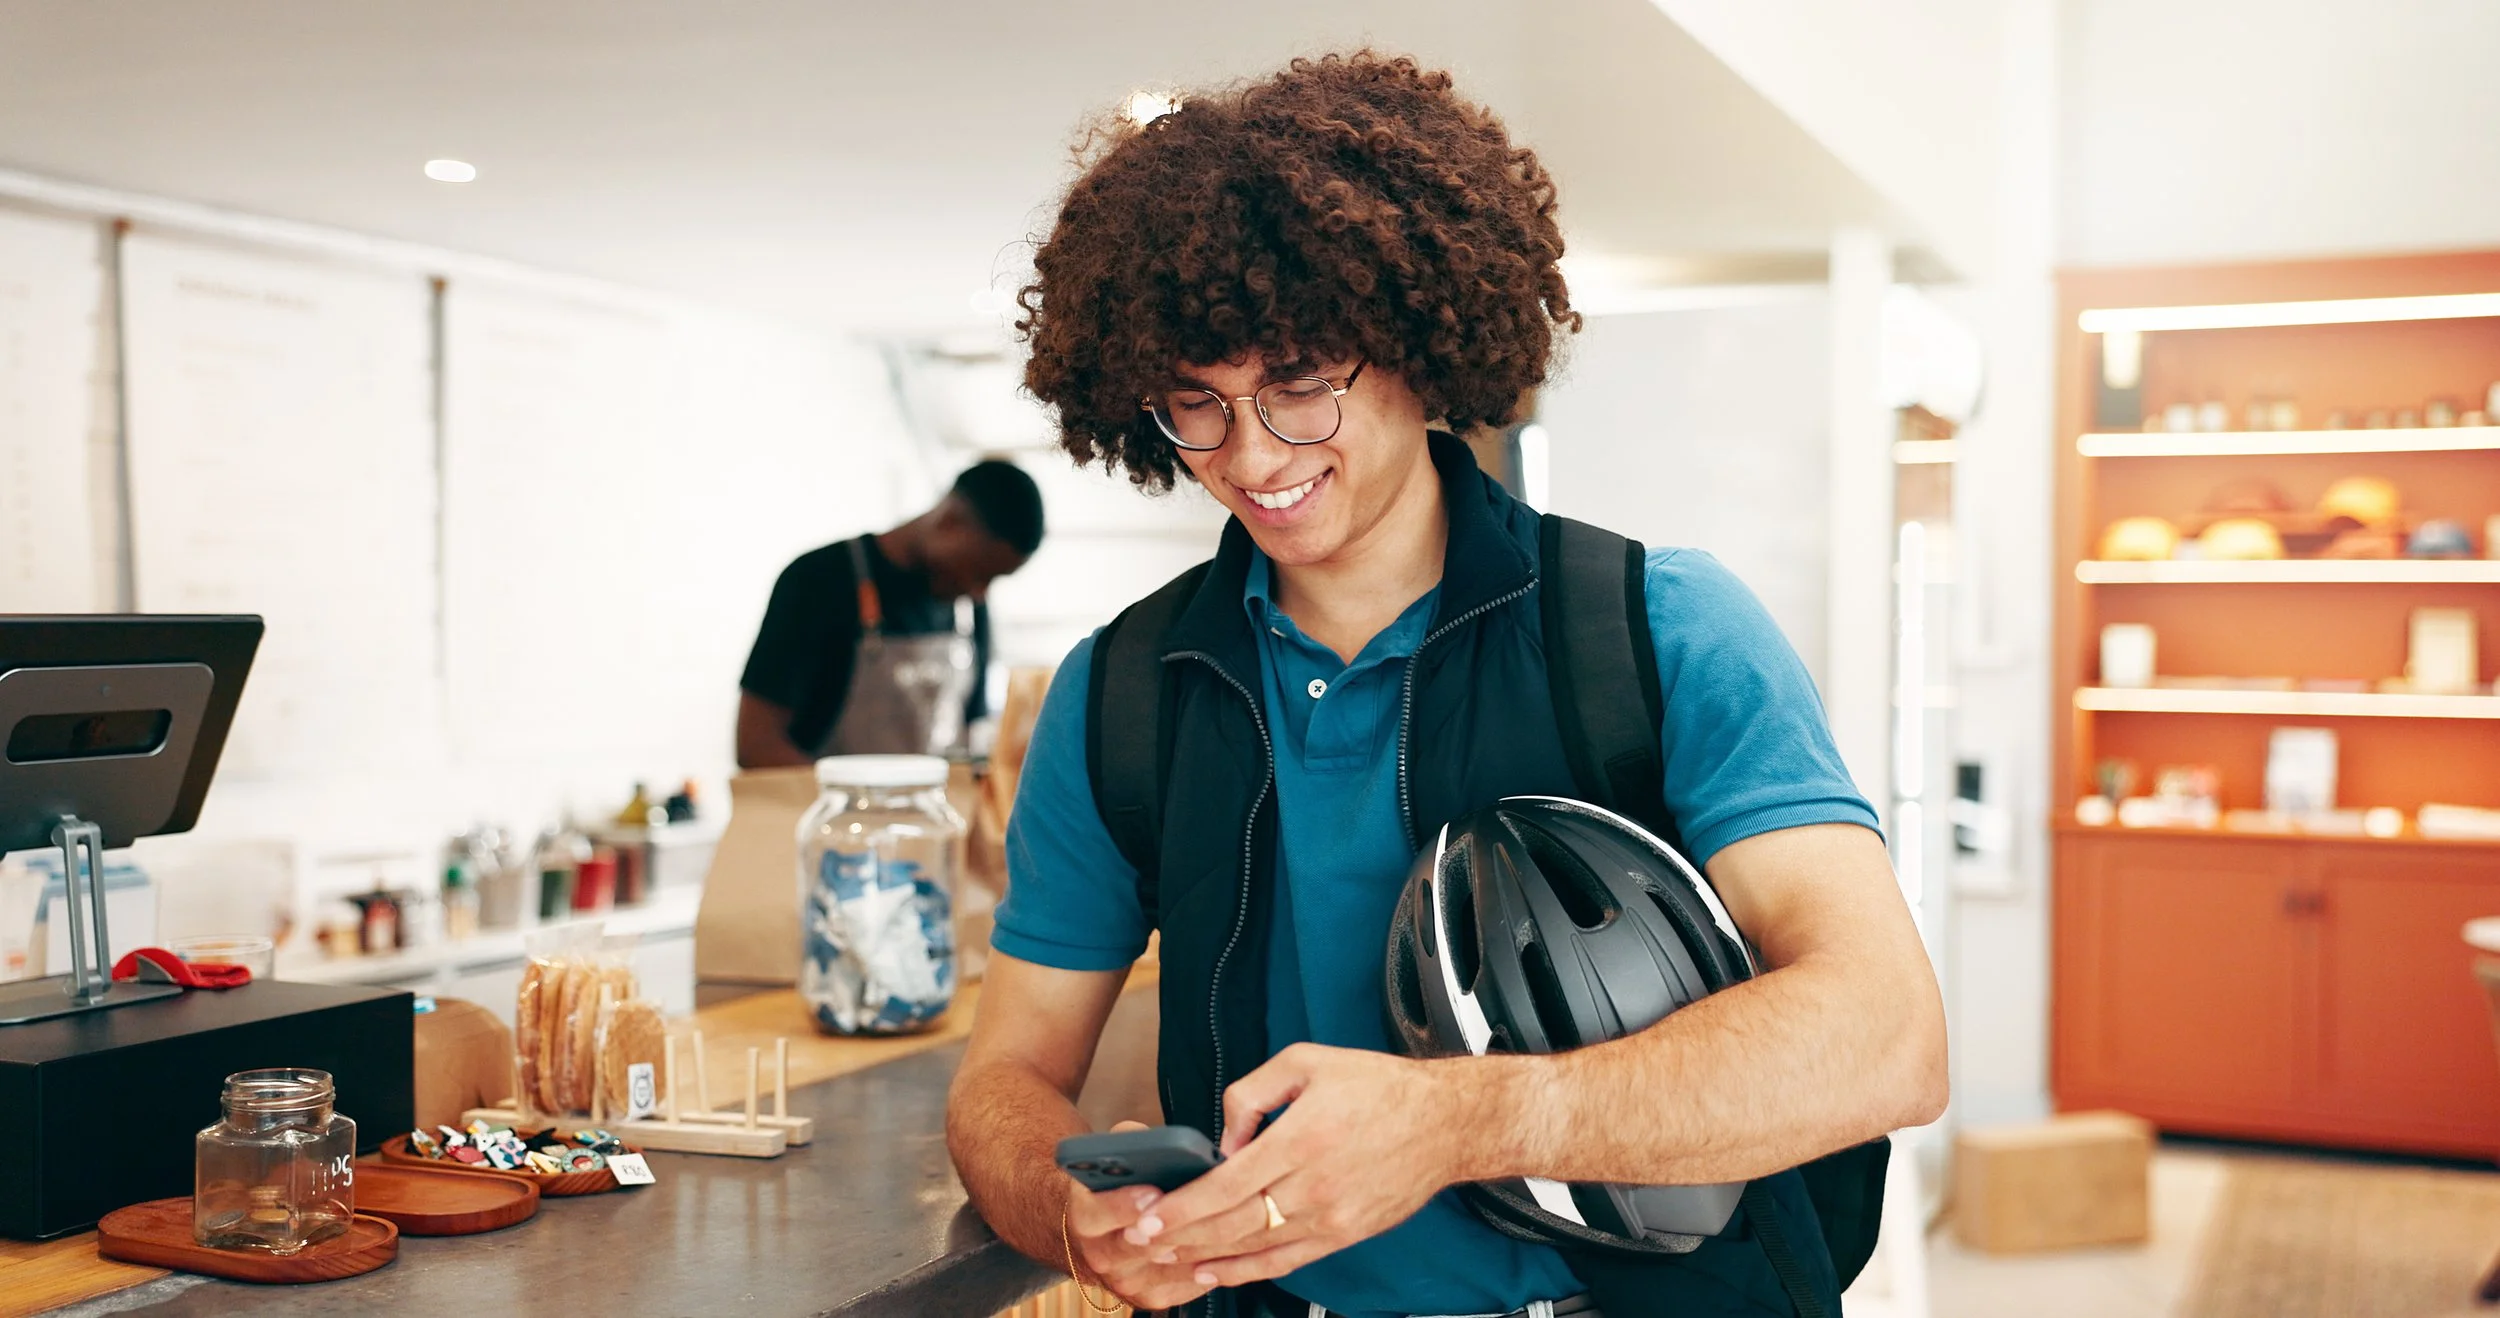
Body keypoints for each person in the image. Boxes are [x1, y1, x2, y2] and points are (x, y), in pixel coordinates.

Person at [945, 52, 1947, 1318]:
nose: (1251, 457)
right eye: (1194, 405)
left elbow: (1887, 1038)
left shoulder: (1660, 629)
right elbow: (1003, 1080)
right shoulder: (1119, 695)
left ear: (1420, 348)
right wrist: (1072, 1215)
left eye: (1300, 386)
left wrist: (1457, 1122)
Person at [735, 460, 1044, 768]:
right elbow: (755, 745)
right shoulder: (817, 580)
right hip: (827, 812)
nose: (980, 592)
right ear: (950, 522)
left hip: (930, 812)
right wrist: (853, 804)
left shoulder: (970, 608)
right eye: (980, 572)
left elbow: (970, 735)